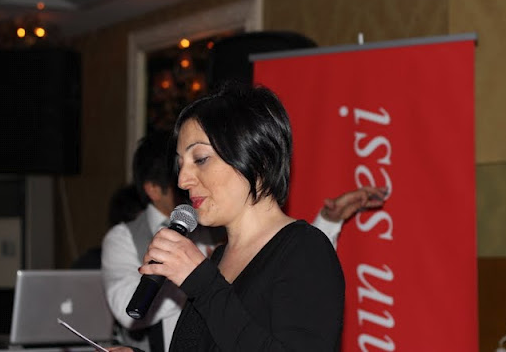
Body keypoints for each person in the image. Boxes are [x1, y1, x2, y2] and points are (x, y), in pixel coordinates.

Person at [102, 126, 387, 352]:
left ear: (254, 160)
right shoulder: (219, 257)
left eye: (200, 159)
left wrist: (200, 280)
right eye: (180, 164)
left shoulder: (305, 248)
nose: (183, 180)